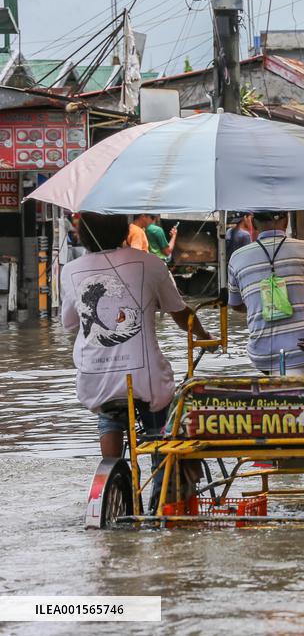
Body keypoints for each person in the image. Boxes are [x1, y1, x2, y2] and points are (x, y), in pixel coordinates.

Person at [60, 212, 212, 507]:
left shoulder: (70, 270)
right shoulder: (151, 263)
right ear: (124, 231)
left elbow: (68, 323)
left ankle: (112, 473)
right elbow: (180, 313)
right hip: (147, 380)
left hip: (95, 380)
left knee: (108, 417)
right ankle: (161, 494)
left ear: (83, 235)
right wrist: (204, 336)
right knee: (162, 423)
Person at [228, 211, 304, 375]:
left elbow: (236, 305)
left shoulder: (236, 258)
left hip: (262, 354)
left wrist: (261, 304)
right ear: (286, 221)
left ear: (253, 223)